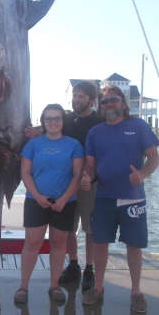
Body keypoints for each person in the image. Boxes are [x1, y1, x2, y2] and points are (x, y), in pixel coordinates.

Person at [81, 86, 159, 313]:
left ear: (123, 103)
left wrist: (142, 174)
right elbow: (90, 165)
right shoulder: (95, 132)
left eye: (113, 100)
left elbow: (153, 157)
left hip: (132, 199)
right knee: (99, 243)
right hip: (104, 197)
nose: (108, 104)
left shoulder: (138, 126)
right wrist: (86, 177)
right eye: (104, 102)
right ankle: (98, 287)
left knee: (134, 246)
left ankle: (136, 291)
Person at [14, 104, 84, 305]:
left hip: (65, 202)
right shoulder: (34, 144)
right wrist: (37, 196)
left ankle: (54, 285)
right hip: (35, 201)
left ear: (63, 121)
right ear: (43, 122)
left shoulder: (74, 145)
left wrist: (63, 199)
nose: (53, 122)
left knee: (58, 245)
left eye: (57, 118)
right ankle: (23, 286)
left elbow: (77, 174)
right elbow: (25, 173)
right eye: (48, 119)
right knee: (32, 244)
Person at [58, 81, 101, 291]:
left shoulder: (99, 122)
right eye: (75, 95)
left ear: (91, 100)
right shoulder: (68, 120)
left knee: (90, 229)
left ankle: (90, 269)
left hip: (89, 183)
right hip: (67, 182)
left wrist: (90, 175)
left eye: (81, 96)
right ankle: (73, 264)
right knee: (68, 227)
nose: (76, 99)